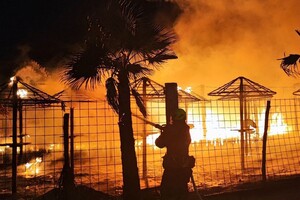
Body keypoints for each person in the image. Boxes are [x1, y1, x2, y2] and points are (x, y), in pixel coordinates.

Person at [155, 108, 194, 200]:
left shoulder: (170, 131)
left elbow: (159, 144)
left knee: (167, 192)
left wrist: (164, 133)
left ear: (173, 118)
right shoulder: (185, 130)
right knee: (182, 191)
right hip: (184, 167)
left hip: (172, 167)